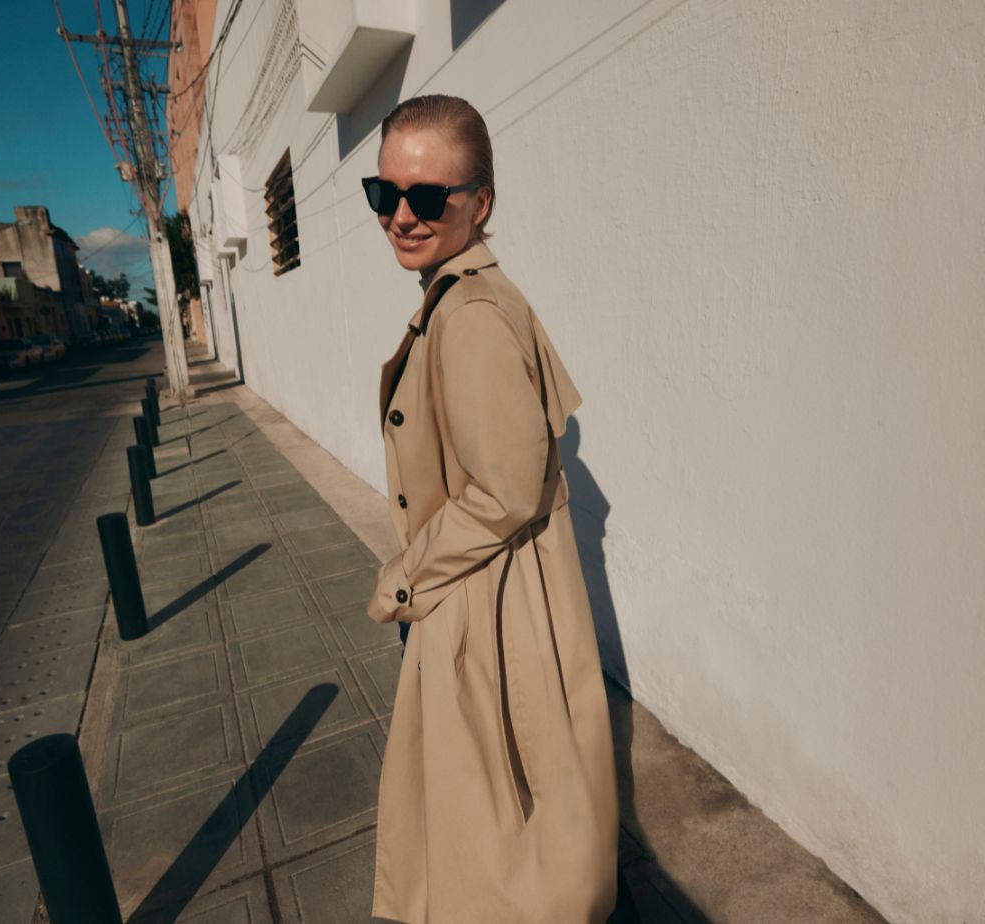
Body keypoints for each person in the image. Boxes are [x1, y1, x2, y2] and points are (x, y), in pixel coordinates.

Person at [362, 94, 621, 923]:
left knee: (494, 841)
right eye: (385, 193)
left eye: (428, 198)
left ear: (481, 202)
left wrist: (405, 579)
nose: (403, 216)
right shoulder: (466, 294)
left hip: (485, 602)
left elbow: (505, 492)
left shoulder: (468, 315)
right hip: (492, 590)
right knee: (517, 821)